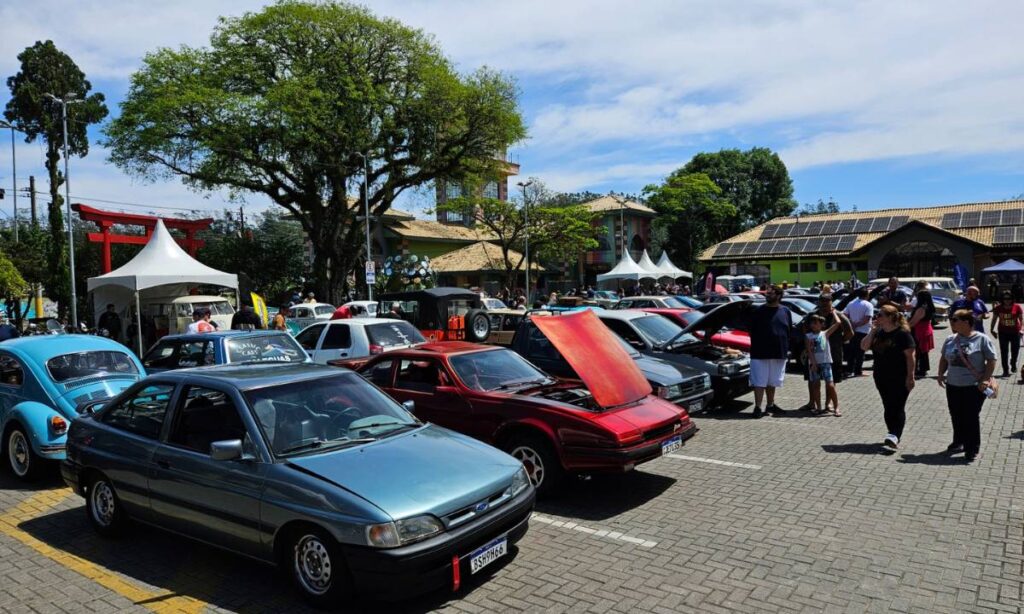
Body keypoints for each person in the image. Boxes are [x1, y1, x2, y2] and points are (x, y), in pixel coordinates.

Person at [937, 310, 997, 463]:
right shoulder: (950, 339)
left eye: (955, 320)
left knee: (970, 416)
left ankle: (972, 448)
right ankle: (959, 441)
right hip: (953, 384)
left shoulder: (981, 339)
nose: (952, 322)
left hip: (974, 386)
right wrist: (940, 374)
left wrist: (985, 379)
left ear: (967, 322)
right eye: (952, 319)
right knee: (956, 414)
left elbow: (991, 360)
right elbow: (944, 358)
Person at [861, 304, 916, 453]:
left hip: (899, 377)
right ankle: (892, 433)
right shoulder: (878, 332)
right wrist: (872, 331)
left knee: (897, 406)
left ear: (890, 317)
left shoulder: (903, 334)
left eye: (880, 315)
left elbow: (910, 357)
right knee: (888, 406)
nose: (877, 317)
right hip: (881, 376)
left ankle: (894, 435)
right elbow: (864, 347)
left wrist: (910, 377)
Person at [747, 285, 793, 418]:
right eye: (767, 293)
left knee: (773, 381)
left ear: (778, 296)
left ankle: (770, 405)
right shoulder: (758, 311)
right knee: (759, 381)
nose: (767, 295)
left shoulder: (785, 311)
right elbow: (751, 330)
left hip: (779, 352)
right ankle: (757, 407)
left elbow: (788, 329)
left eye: (771, 293)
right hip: (760, 352)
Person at [807, 294, 852, 384]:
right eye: (822, 301)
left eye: (827, 301)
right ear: (819, 302)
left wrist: (839, 341)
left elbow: (850, 333)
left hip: (834, 355)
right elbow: (805, 330)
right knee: (813, 382)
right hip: (815, 356)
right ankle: (814, 399)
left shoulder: (839, 315)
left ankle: (829, 399)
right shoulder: (812, 315)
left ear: (831, 302)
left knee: (831, 382)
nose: (824, 304)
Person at [805, 314, 844, 416]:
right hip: (814, 364)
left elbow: (838, 323)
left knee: (830, 385)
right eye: (811, 323)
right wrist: (813, 363)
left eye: (816, 323)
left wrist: (834, 312)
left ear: (822, 325)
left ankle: (836, 407)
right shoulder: (808, 336)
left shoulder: (825, 333)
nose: (813, 325)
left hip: (826, 362)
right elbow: (809, 351)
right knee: (816, 385)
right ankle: (818, 407)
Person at [990, 291, 1022, 377]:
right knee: (1004, 352)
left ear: (1012, 299)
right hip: (1003, 332)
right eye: (1005, 299)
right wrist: (991, 329)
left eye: (1009, 299)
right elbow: (994, 319)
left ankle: (1013, 362)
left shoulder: (1017, 307)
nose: (1007, 300)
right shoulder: (998, 308)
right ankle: (1005, 370)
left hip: (1015, 332)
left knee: (1015, 350)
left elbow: (1021, 319)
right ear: (1002, 299)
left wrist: (1022, 330)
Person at [843, 287, 873, 377]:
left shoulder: (851, 303)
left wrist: (851, 324)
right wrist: (857, 324)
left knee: (851, 352)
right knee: (860, 352)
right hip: (863, 331)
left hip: (852, 331)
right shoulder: (868, 305)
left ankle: (849, 370)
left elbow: (844, 315)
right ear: (867, 295)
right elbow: (867, 319)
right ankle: (858, 371)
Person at [907, 290, 935, 378]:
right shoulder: (929, 307)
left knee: (919, 352)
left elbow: (913, 322)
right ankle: (923, 369)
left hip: (920, 331)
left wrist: (904, 327)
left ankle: (920, 370)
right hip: (926, 329)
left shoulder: (921, 308)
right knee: (924, 352)